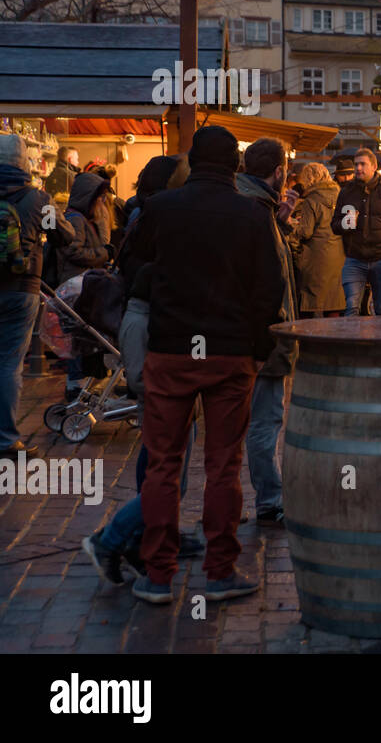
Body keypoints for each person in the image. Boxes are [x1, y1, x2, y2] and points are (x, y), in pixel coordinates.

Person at [130, 125, 284, 604]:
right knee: (223, 466)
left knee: (163, 464)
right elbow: (269, 289)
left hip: (172, 348)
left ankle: (158, 574)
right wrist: (258, 349)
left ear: (193, 162)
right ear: (235, 166)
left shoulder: (160, 209)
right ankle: (219, 571)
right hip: (230, 350)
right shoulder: (252, 215)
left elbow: (130, 268)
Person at [83, 155, 205, 584]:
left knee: (165, 454)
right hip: (156, 337)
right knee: (166, 459)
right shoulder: (155, 218)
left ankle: (153, 533)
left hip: (156, 334)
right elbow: (148, 278)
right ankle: (122, 536)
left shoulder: (148, 214)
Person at [235, 138, 298, 526]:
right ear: (279, 173)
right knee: (263, 423)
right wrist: (268, 346)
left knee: (236, 426)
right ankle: (270, 501)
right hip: (260, 340)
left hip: (229, 338)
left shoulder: (245, 204)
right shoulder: (256, 211)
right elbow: (265, 285)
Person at [1, 133, 74, 458]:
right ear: (24, 161)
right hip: (21, 290)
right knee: (8, 365)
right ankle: (5, 441)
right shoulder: (37, 199)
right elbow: (64, 236)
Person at [56, 171, 114, 402]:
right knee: (80, 340)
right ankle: (75, 387)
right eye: (99, 198)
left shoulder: (81, 218)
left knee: (83, 339)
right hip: (77, 289)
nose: (102, 203)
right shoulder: (77, 220)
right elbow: (72, 251)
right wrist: (103, 254)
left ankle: (80, 386)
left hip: (81, 287)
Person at [331, 147, 381, 316]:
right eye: (356, 164)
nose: (358, 168)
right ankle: (353, 341)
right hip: (355, 259)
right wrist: (345, 223)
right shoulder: (346, 192)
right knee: (351, 307)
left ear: (373, 167)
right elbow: (334, 225)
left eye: (363, 164)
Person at [289, 162, 346, 317]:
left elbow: (305, 232)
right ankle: (332, 339)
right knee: (333, 302)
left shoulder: (311, 200)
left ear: (309, 179)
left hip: (316, 258)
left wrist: (291, 232)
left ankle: (310, 340)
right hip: (338, 255)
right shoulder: (340, 195)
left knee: (310, 303)